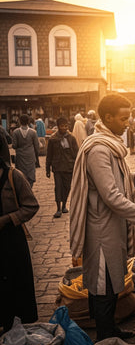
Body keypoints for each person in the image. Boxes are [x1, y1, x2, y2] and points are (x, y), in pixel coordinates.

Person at [69, 93, 135, 341]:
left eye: (128, 118)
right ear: (107, 117)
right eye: (123, 119)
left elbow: (110, 179)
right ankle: (104, 338)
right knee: (103, 286)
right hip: (102, 230)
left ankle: (109, 328)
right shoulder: (99, 149)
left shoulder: (110, 144)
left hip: (112, 227)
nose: (127, 123)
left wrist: (134, 178)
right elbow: (110, 195)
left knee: (109, 283)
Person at [0, 156, 40, 332]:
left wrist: (7, 219)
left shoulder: (13, 176)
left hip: (11, 240)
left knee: (14, 284)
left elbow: (31, 206)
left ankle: (13, 326)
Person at [46, 117, 79, 218]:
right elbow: (49, 155)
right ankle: (58, 208)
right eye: (62, 126)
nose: (64, 128)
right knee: (58, 188)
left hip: (69, 167)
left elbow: (77, 153)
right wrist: (47, 169)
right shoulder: (53, 139)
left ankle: (64, 205)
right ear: (58, 127)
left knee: (67, 187)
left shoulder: (72, 138)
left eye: (66, 126)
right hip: (57, 167)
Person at [12, 114, 40, 187]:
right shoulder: (33, 132)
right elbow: (36, 146)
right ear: (28, 121)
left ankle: (23, 189)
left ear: (20, 122)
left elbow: (14, 146)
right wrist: (36, 156)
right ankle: (29, 188)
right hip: (30, 156)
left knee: (21, 174)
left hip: (20, 156)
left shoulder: (16, 132)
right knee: (30, 173)